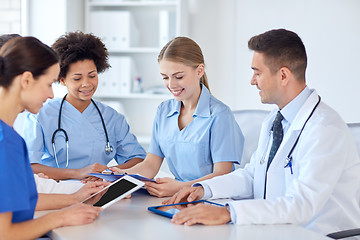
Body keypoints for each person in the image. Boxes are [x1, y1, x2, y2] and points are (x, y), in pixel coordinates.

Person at [165, 29, 360, 236]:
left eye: (257, 73)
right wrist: (204, 189)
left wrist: (229, 213)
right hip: (276, 231)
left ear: (283, 75)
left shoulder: (325, 129)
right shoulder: (275, 120)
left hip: (319, 235)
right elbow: (252, 176)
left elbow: (302, 204)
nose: (252, 80)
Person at [0, 36, 109, 239]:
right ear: (26, 80)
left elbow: (21, 200)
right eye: (49, 84)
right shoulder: (6, 142)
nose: (51, 95)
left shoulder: (8, 136)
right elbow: (4, 234)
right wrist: (60, 218)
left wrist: (76, 198)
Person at [112, 37, 244, 198]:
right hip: (175, 198)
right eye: (165, 77)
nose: (171, 85)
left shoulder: (220, 115)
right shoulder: (163, 111)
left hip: (213, 199)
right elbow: (150, 165)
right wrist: (119, 174)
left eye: (179, 77)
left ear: (200, 70)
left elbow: (222, 175)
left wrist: (180, 187)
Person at [22, 31, 146, 181]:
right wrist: (79, 173)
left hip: (101, 189)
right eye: (77, 78)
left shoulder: (112, 117)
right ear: (62, 80)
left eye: (92, 76)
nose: (86, 84)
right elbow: (30, 166)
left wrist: (107, 174)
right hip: (58, 190)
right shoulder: (41, 115)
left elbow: (137, 159)